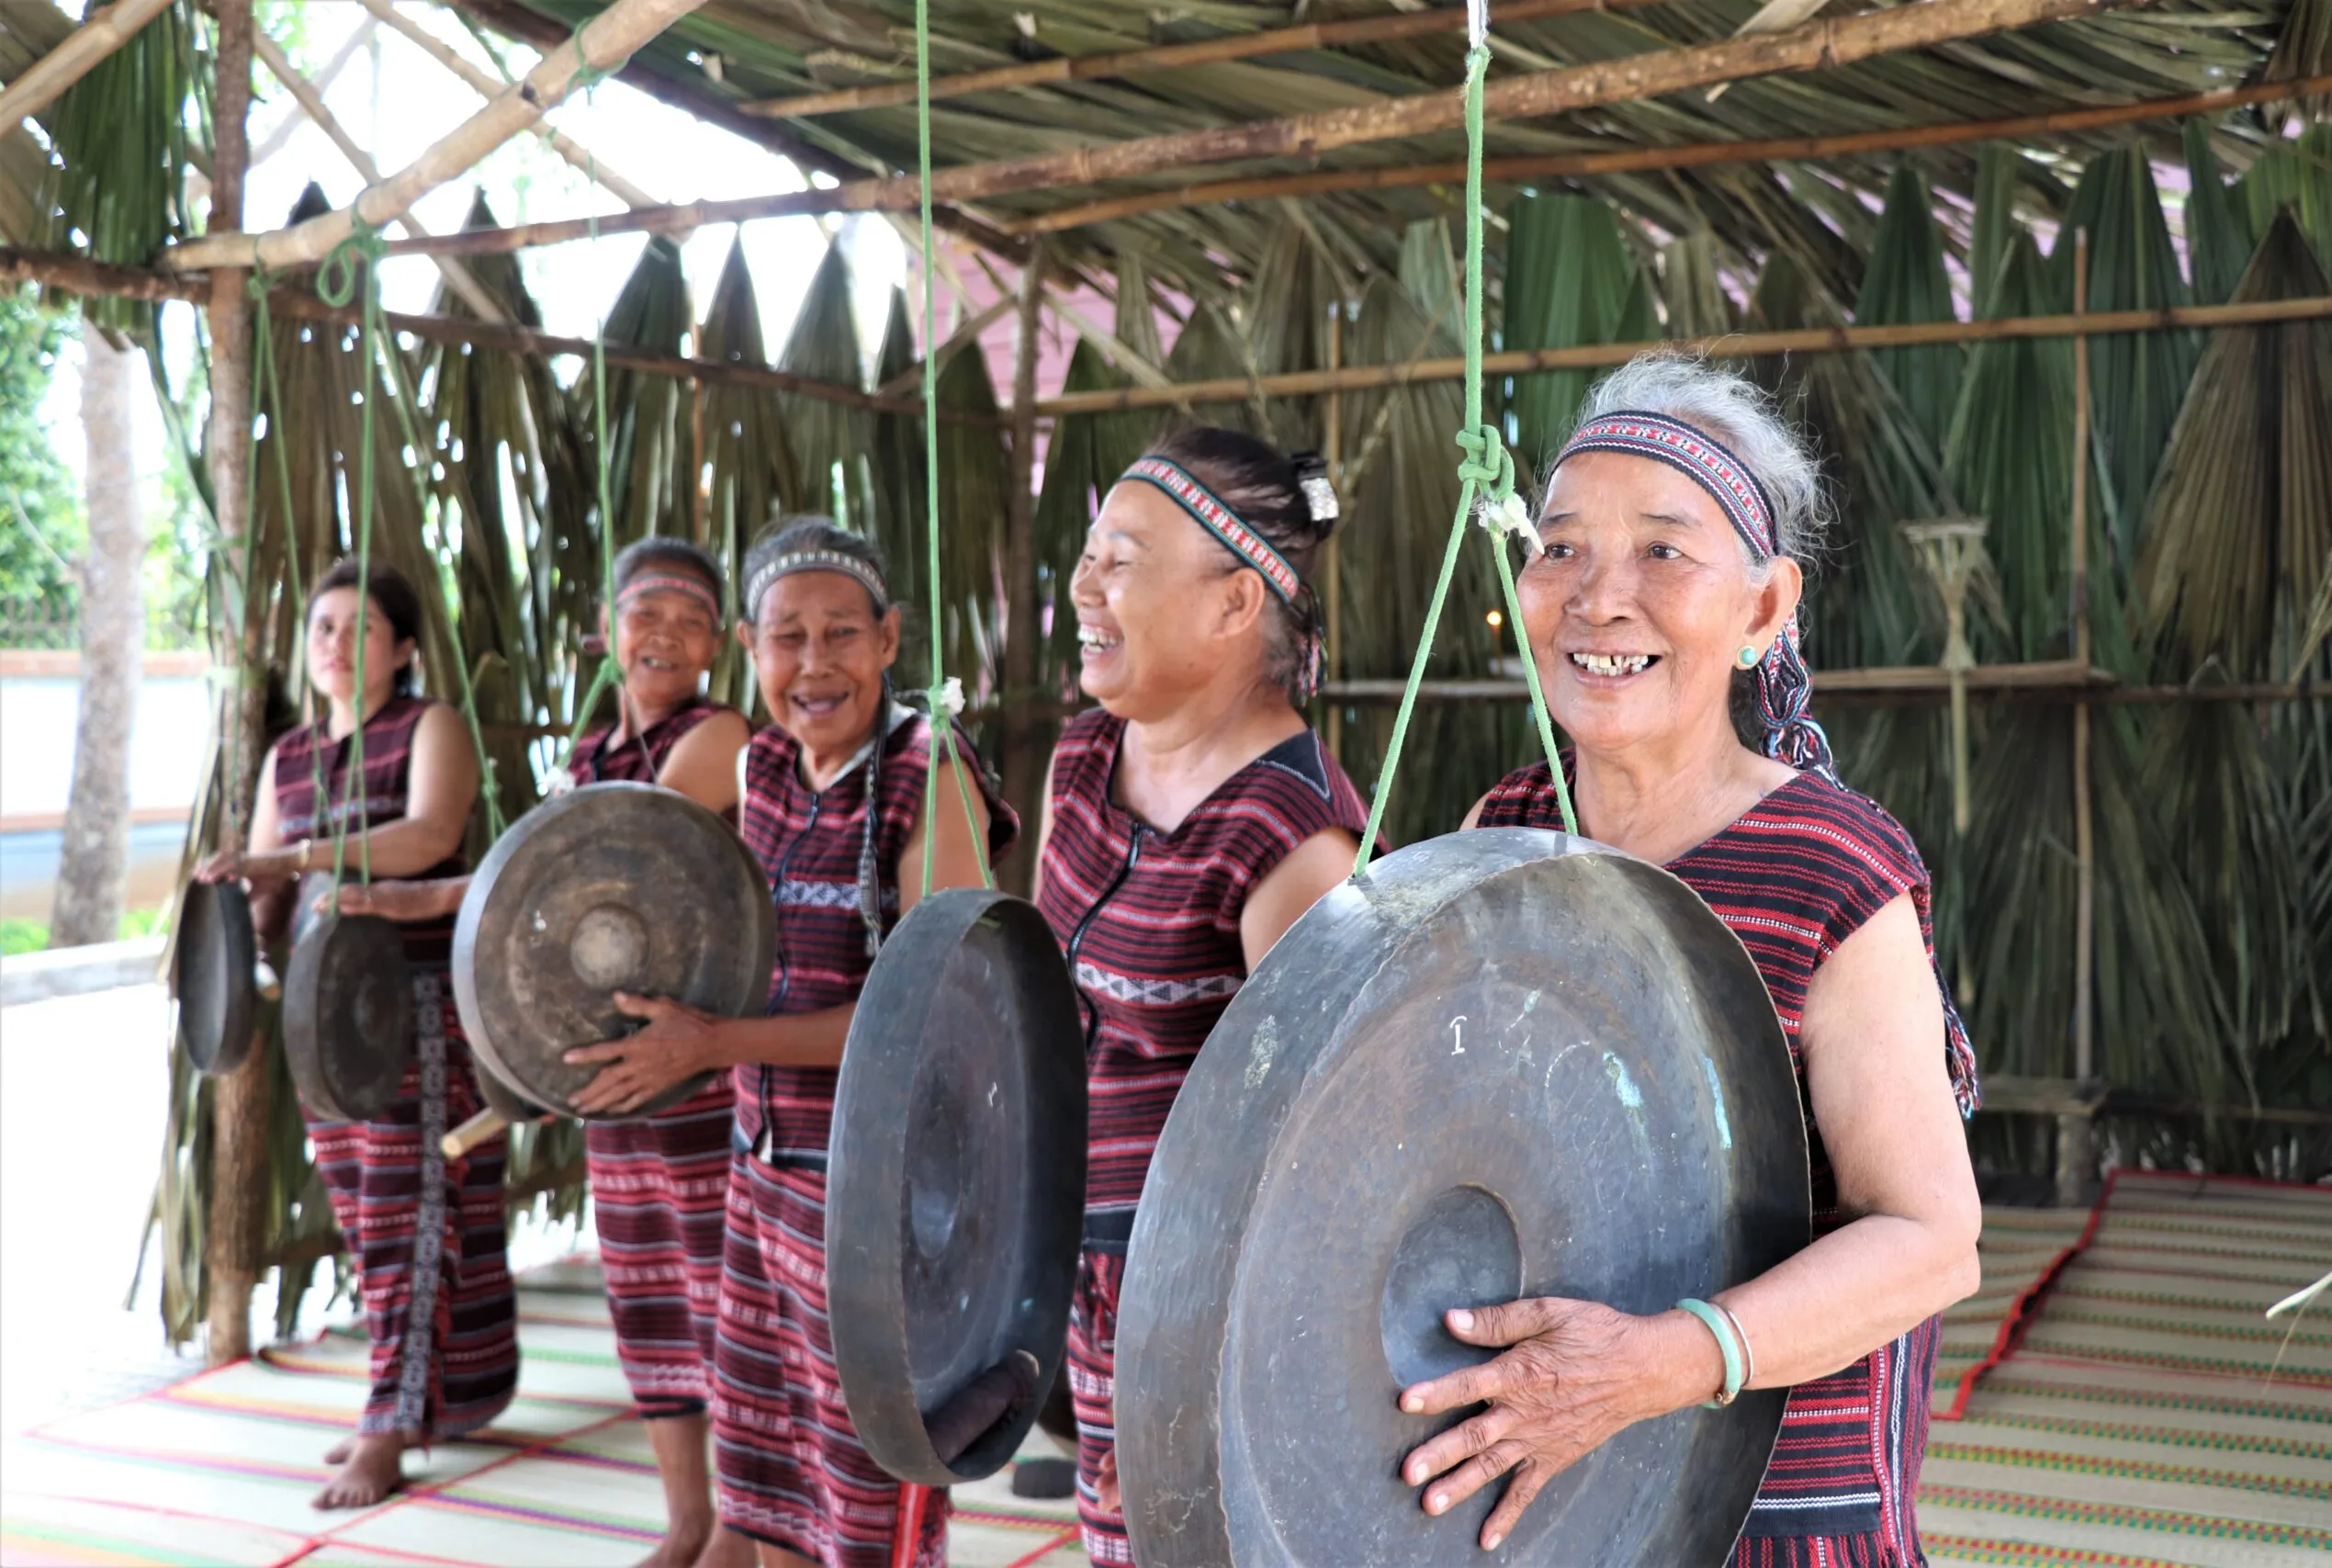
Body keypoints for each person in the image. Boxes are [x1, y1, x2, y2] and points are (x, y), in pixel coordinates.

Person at [1399, 355, 1982, 1562]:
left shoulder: (1832, 868)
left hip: (1773, 1511)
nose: (1600, 597)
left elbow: (1931, 1237)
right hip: (1553, 1498)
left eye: (1664, 551)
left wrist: (1656, 1362)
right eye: (1560, 548)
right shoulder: (1500, 833)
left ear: (1764, 608)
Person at [558, 518, 1017, 1568]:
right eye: (786, 638)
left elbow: (935, 1015)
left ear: (890, 638)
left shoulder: (928, 772)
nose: (813, 664)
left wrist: (713, 1042)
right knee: (772, 1494)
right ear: (752, 653)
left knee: (865, 1499)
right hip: (761, 1183)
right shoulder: (761, 768)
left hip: (880, 1204)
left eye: (840, 634)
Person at [335, 538, 752, 1568]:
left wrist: (455, 889)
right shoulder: (586, 758)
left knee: (719, 1304)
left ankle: (740, 1538)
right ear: (604, 634)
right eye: (642, 614)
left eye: (688, 619)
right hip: (607, 1074)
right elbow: (534, 886)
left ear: (715, 647)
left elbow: (611, 855)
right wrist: (435, 898)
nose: (662, 634)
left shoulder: (718, 736)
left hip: (695, 1065)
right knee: (650, 1300)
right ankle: (686, 1524)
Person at [1033, 430, 1369, 1566]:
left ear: (1232, 604)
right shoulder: (1082, 755)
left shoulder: (1295, 843)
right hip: (1082, 1265)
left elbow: (1310, 1162)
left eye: (1118, 559)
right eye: (1087, 555)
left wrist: (1192, 1371)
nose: (1082, 584)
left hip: (1202, 1308)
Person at [196, 559, 518, 1510]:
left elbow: (427, 836)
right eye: (322, 626)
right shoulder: (289, 756)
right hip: (320, 1022)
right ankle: (428, 1402)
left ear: (405, 649)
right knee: (369, 1219)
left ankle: (385, 1424)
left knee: (412, 1213)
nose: (334, 643)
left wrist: (291, 854)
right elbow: (271, 891)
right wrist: (229, 943)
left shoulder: (432, 728)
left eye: (359, 627)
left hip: (419, 1004)